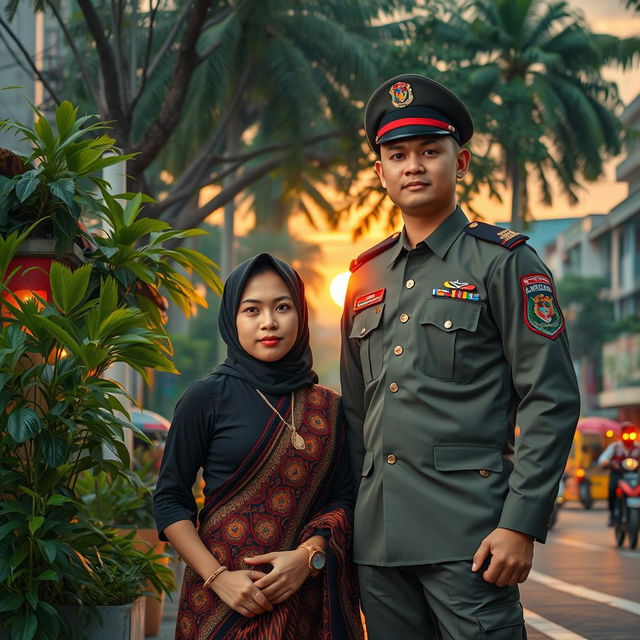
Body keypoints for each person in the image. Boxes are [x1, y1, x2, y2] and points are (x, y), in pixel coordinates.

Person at [340, 74, 581, 639]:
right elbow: (356, 414)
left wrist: (520, 524)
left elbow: (550, 398)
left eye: (430, 151)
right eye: (397, 155)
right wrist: (349, 526)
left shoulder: (503, 263)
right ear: (381, 173)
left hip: (471, 538)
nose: (414, 166)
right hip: (379, 543)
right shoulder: (364, 277)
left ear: (462, 161)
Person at [154, 253, 363, 639]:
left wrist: (308, 558)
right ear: (232, 320)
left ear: (300, 315)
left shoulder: (330, 408)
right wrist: (219, 578)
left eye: (282, 307)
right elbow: (169, 500)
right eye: (252, 310)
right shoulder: (206, 397)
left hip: (304, 601)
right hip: (219, 603)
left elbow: (345, 499)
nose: (268, 322)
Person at [598, 422, 640, 525]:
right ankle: (612, 514)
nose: (629, 436)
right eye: (626, 433)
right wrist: (606, 463)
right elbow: (603, 459)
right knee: (612, 489)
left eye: (631, 433)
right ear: (621, 434)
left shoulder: (638, 447)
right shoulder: (615, 447)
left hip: (635, 475)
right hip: (618, 474)